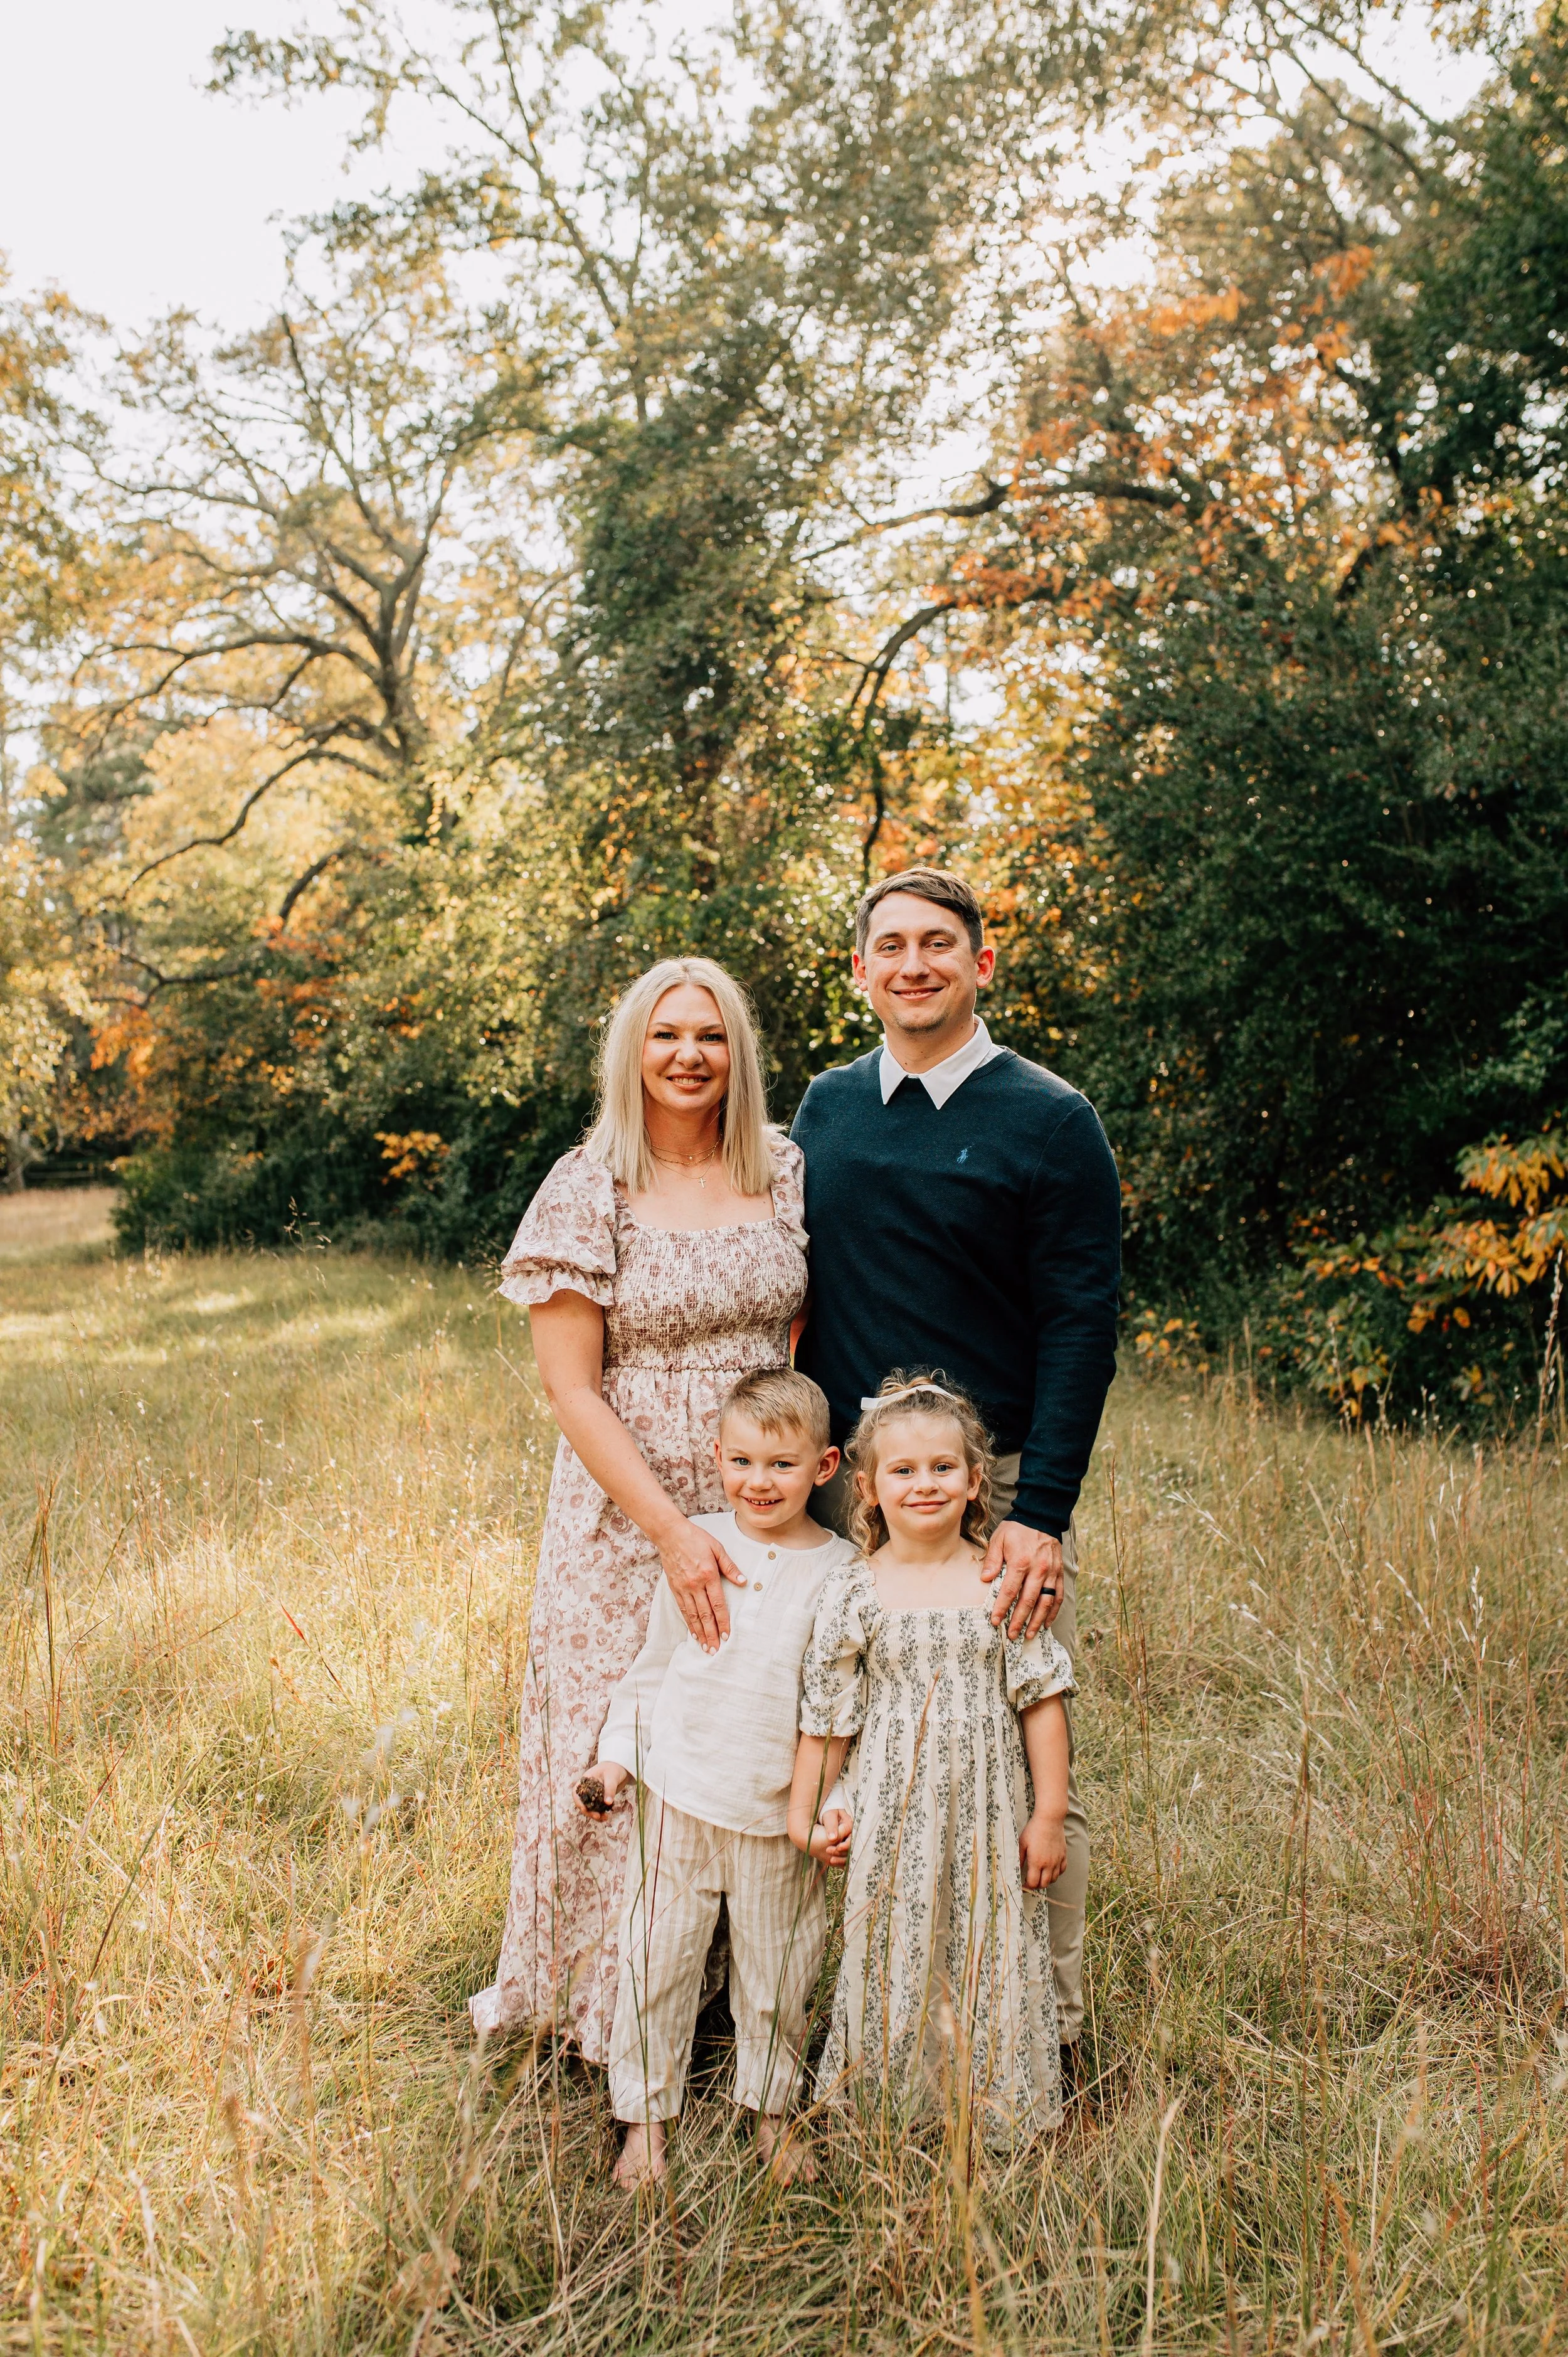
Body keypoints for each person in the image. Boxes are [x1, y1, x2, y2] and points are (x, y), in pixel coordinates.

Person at [790, 868, 1120, 2073]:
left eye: (941, 943)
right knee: (854, 1743)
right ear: (862, 969)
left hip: (995, 1493)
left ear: (983, 964)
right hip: (854, 1493)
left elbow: (1082, 1322)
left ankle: (1052, 2029)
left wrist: (1041, 1514)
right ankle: (858, 2019)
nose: (915, 963)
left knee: (1023, 1737)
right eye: (892, 945)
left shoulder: (1049, 1117)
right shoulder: (825, 1108)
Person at [469, 959, 810, 2058]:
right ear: (633, 1049)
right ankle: (598, 2013)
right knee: (615, 1739)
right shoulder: (588, 1184)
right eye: (666, 1035)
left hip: (761, 1500)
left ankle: (717, 2001)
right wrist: (672, 1533)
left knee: (740, 1736)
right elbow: (570, 1384)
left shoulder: (786, 1168)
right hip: (628, 1514)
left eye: (710, 1036)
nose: (689, 1056)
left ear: (738, 1053)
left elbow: (796, 1340)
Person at [580, 1368, 856, 2187]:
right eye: (742, 1462)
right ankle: (644, 2122)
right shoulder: (699, 1546)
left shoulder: (842, 1574)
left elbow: (846, 1709)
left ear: (825, 1466)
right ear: (717, 1457)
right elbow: (654, 1670)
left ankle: (771, 2115)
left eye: (781, 1464)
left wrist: (833, 1803)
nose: (758, 1482)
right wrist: (615, 1760)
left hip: (782, 1812)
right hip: (679, 1797)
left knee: (779, 1972)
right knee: (657, 1962)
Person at [790, 1376, 1075, 2141]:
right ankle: (890, 2107)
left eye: (943, 1467)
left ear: (977, 1480)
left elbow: (1041, 1701)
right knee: (894, 1941)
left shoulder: (996, 1579)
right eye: (903, 1470)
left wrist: (1048, 1815)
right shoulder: (855, 1590)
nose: (925, 1484)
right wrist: (803, 1811)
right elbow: (828, 1715)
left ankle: (992, 2106)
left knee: (990, 1941)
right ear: (868, 1487)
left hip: (988, 1807)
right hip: (890, 1803)